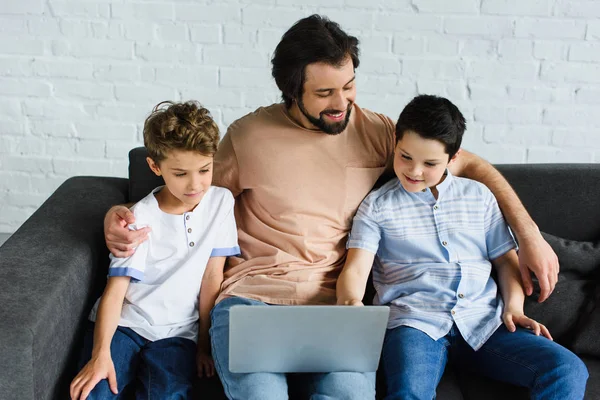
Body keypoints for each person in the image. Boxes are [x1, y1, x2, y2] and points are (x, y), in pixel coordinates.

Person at [103, 15, 560, 399]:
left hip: (338, 306)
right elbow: (185, 191)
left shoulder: (379, 132)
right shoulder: (248, 136)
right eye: (324, 94)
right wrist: (120, 214)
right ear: (292, 92)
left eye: (349, 86)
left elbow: (469, 165)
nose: (342, 103)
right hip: (253, 300)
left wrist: (530, 236)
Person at [337, 94, 588, 399]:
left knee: (567, 368)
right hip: (414, 324)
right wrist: (351, 305)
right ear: (395, 142)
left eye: (430, 163)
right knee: (408, 393)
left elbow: (505, 261)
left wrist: (514, 308)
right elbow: (356, 268)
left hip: (484, 323)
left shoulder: (479, 197)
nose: (414, 171)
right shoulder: (377, 206)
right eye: (405, 157)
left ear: (453, 159)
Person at [70, 101, 240, 400]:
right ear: (155, 167)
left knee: (168, 394)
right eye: (180, 173)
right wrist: (100, 355)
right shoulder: (139, 218)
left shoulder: (221, 202)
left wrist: (204, 346)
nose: (195, 184)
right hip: (126, 325)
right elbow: (115, 291)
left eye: (204, 170)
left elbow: (212, 277)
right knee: (95, 391)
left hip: (178, 334)